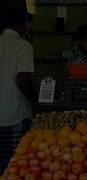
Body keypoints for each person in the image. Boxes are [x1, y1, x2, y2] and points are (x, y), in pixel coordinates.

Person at [0, 8, 35, 173]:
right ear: (22, 25)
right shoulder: (23, 45)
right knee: (14, 167)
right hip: (16, 116)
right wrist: (35, 99)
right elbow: (23, 79)